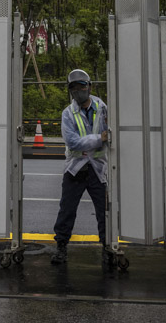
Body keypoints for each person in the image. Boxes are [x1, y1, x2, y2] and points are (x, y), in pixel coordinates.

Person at [50, 68, 109, 265]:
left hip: (97, 168)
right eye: (73, 87)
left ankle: (108, 246)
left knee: (104, 210)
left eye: (81, 86)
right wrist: (99, 139)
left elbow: (110, 134)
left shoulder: (103, 108)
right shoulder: (68, 113)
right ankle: (61, 246)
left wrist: (100, 139)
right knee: (67, 209)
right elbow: (73, 142)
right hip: (75, 169)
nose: (78, 90)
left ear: (90, 86)